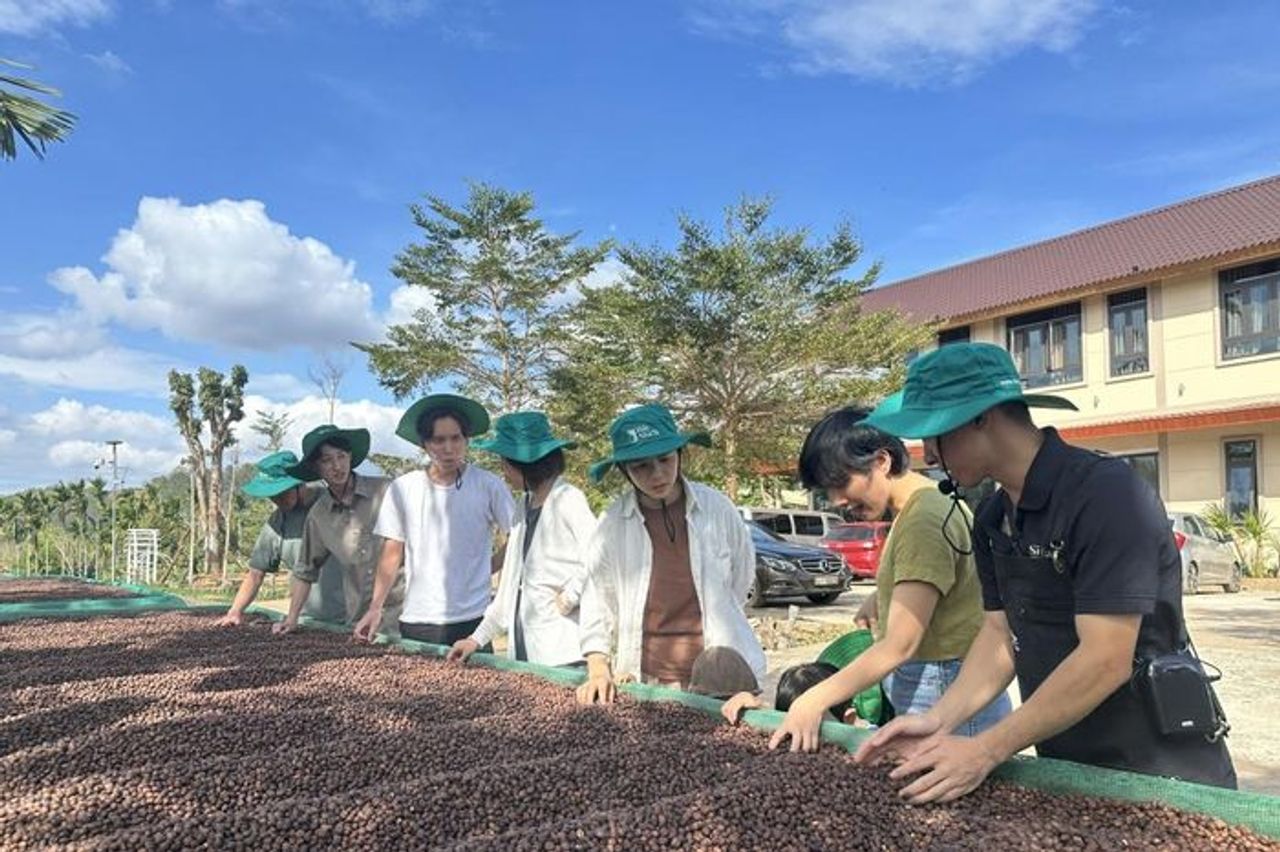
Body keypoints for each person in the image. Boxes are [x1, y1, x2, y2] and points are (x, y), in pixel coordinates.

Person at [855, 342, 1236, 802]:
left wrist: (987, 749)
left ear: (982, 417)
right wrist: (940, 718)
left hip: (1158, 766)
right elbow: (1000, 634)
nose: (929, 456)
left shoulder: (1106, 496)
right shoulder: (994, 517)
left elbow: (1105, 658)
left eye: (934, 435)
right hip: (1065, 758)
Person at [765, 407, 1010, 752]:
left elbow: (900, 644)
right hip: (949, 681)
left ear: (881, 461)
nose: (837, 501)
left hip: (942, 687)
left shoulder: (922, 519)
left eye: (841, 483)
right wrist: (883, 594)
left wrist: (814, 698)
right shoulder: (928, 501)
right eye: (827, 491)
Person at [576, 404, 765, 705]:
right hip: (647, 677)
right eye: (641, 467)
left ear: (680, 455)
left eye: (665, 459)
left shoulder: (717, 509)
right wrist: (598, 666)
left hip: (720, 679)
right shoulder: (612, 523)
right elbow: (597, 599)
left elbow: (740, 579)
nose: (657, 474)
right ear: (625, 471)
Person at [354, 394, 515, 647]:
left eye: (456, 438)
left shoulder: (489, 485)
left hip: (474, 620)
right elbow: (392, 552)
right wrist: (375, 607)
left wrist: (489, 567)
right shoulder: (403, 489)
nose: (449, 449)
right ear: (425, 444)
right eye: (439, 440)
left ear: (466, 440)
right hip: (419, 618)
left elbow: (517, 536)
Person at [446, 411, 597, 667]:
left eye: (505, 462)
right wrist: (475, 639)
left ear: (523, 464)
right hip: (526, 654)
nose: (503, 470)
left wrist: (570, 596)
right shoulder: (522, 506)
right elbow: (509, 587)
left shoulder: (568, 498)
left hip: (564, 651)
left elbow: (599, 553)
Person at [273, 424, 403, 637]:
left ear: (350, 457)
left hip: (407, 616)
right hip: (361, 622)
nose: (337, 466)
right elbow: (305, 570)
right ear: (316, 468)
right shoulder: (319, 516)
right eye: (327, 460)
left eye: (341, 456)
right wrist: (292, 618)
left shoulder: (387, 491)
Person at [215, 451, 346, 626]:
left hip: (355, 618)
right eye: (271, 495)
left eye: (281, 493)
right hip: (308, 620)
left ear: (299, 484)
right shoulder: (279, 521)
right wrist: (235, 611)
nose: (276, 499)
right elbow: (255, 573)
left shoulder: (336, 503)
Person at [721, 662, 852, 726]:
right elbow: (772, 717)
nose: (801, 730)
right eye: (794, 720)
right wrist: (747, 701)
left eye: (814, 723)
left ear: (849, 719)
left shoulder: (868, 741)